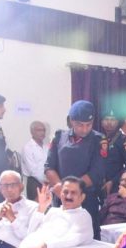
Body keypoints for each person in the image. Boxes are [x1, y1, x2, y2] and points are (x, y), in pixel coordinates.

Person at [44, 100, 106, 239]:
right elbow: (49, 167)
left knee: (89, 239)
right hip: (61, 198)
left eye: (88, 125)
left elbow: (97, 173)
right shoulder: (59, 137)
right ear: (71, 121)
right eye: (80, 125)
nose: (84, 129)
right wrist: (61, 188)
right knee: (58, 237)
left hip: (85, 199)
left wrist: (72, 190)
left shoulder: (98, 140)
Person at [100, 110, 126, 195]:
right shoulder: (97, 138)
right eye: (106, 119)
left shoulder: (124, 140)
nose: (109, 122)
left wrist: (113, 181)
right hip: (98, 183)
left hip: (116, 185)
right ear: (102, 122)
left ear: (117, 122)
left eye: (112, 119)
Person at [21, 120, 49, 201]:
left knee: (48, 206)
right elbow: (33, 170)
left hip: (47, 182)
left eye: (44, 130)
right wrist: (47, 181)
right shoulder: (27, 148)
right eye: (39, 130)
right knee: (35, 207)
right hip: (34, 183)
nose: (42, 133)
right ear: (32, 132)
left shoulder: (46, 147)